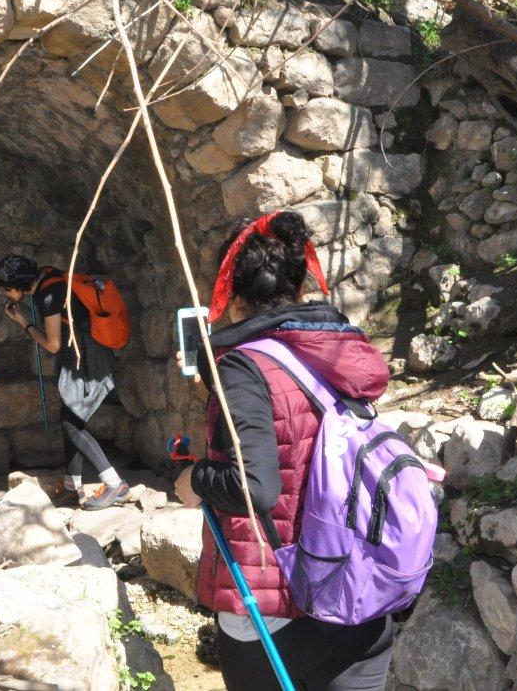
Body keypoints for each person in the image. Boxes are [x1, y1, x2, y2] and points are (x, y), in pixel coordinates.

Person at [173, 209, 393, 691]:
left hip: (282, 613)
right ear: (296, 291)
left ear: (231, 300)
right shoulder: (333, 350)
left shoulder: (243, 368)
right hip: (360, 597)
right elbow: (296, 431)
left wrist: (194, 481)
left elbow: (254, 486)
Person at [0, 254, 130, 510]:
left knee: (72, 424)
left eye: (5, 290)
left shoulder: (47, 296)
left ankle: (115, 484)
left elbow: (53, 345)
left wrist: (24, 323)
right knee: (69, 417)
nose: (5, 294)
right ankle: (71, 488)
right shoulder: (47, 274)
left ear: (15, 286)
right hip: (83, 348)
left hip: (86, 354)